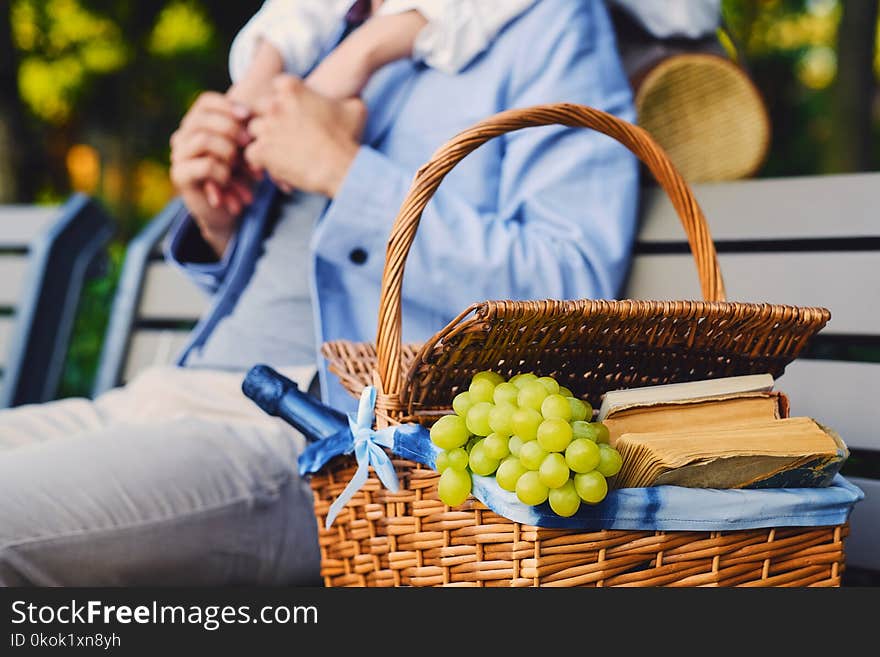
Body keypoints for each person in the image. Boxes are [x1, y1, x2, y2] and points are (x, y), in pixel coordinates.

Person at [0, 0, 638, 585]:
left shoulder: (544, 23)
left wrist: (344, 170)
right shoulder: (322, 23)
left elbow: (569, 279)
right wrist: (221, 219)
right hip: (163, 396)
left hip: (315, 442)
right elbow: (298, 277)